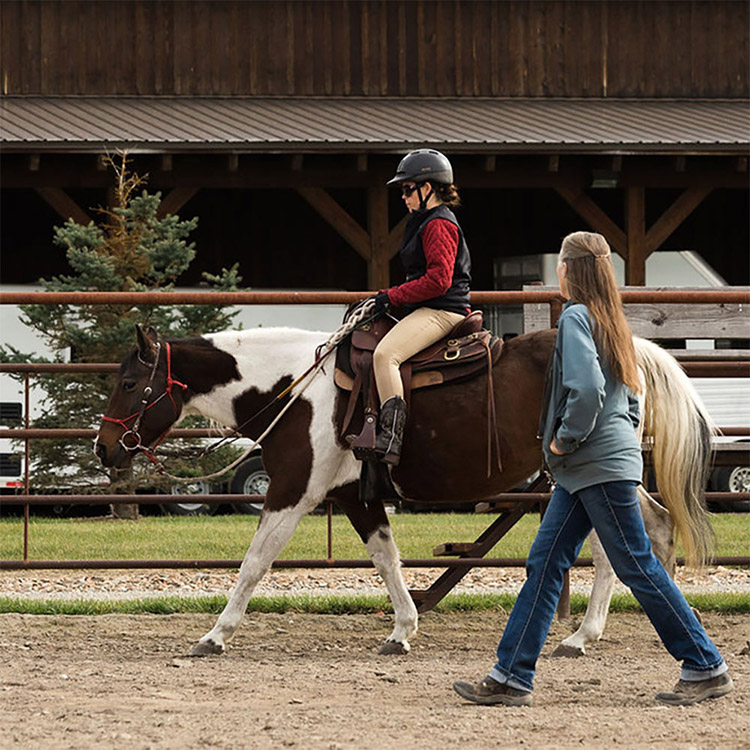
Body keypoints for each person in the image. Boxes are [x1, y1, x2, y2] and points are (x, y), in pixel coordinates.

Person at [453, 231, 733, 708]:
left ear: (571, 269)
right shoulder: (611, 320)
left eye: (560, 263)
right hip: (592, 469)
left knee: (637, 566)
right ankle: (511, 675)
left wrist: (564, 439)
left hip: (593, 467)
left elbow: (586, 391)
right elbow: (626, 401)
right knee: (545, 565)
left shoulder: (578, 318)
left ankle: (705, 664)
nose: (556, 271)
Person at [367, 149, 472, 465]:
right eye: (402, 189)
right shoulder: (424, 220)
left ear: (429, 188)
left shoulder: (438, 224)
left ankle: (391, 438)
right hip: (429, 307)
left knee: (385, 356)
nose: (403, 195)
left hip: (443, 310)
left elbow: (439, 281)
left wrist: (392, 295)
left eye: (408, 188)